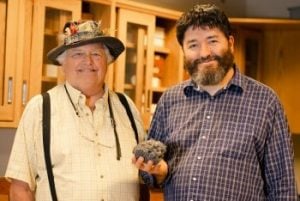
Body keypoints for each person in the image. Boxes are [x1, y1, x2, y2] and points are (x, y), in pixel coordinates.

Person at [133, 4, 298, 200]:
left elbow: (283, 188)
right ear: (184, 50)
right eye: (193, 45)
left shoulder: (265, 102)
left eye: (212, 41)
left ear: (230, 42)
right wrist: (158, 172)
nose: (204, 53)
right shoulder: (170, 100)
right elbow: (149, 175)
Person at [6, 20, 146, 201]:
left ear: (107, 61)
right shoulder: (40, 109)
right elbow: (20, 189)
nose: (87, 61)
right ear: (62, 64)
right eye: (77, 54)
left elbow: (143, 180)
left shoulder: (128, 107)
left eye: (96, 54)